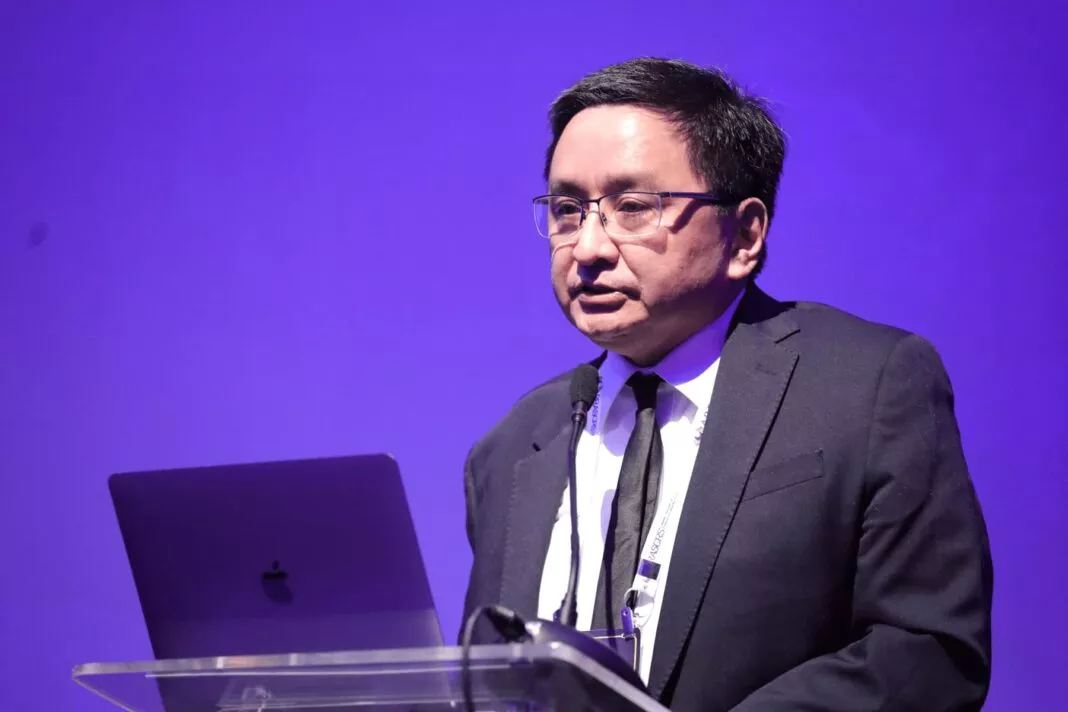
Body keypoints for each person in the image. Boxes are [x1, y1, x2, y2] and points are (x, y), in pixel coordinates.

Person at [460, 57, 993, 712]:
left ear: (745, 234)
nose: (588, 247)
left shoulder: (867, 386)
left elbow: (928, 651)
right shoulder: (515, 445)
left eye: (633, 207)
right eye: (568, 210)